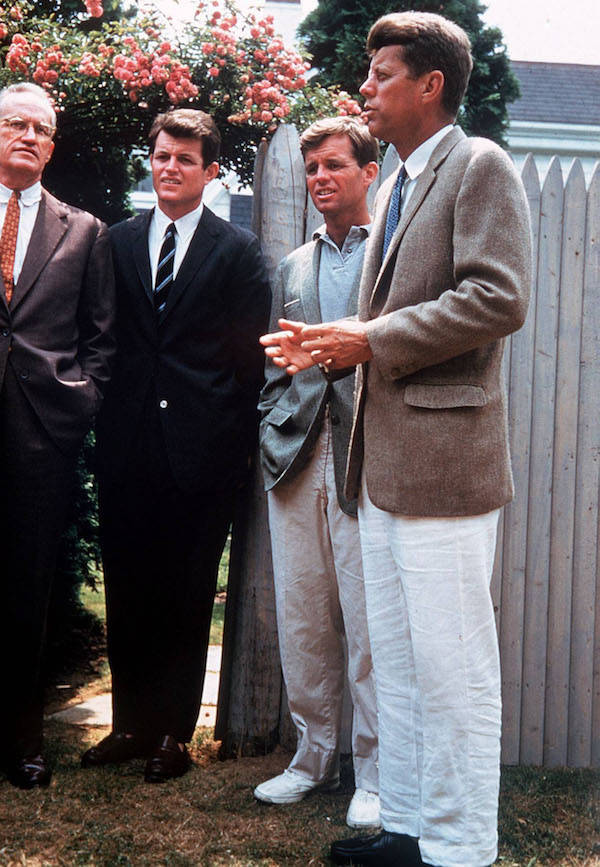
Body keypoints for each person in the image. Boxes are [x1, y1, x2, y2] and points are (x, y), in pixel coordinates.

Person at [261, 12, 531, 867]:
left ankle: (459, 850)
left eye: (380, 75)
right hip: (376, 470)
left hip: (447, 469)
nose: (365, 90)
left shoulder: (477, 165)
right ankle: (410, 829)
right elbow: (391, 315)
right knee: (405, 664)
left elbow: (498, 299)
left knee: (452, 668)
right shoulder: (406, 184)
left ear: (431, 86)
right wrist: (332, 338)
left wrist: (367, 340)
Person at [82, 109, 270, 783]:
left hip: (202, 450)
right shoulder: (117, 242)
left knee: (187, 592)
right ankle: (130, 723)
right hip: (127, 443)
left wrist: (232, 438)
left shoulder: (236, 250)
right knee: (130, 584)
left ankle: (171, 732)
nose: (170, 167)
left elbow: (251, 362)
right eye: (162, 156)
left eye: (185, 159)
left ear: (210, 171)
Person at [254, 117, 380, 828]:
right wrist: (272, 423)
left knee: (366, 623)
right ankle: (311, 759)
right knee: (303, 616)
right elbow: (281, 362)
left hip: (365, 457)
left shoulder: (389, 252)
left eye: (335, 165)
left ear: (368, 172)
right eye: (312, 170)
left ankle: (376, 770)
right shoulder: (295, 265)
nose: (321, 179)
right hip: (296, 457)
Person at [0, 82, 115, 789]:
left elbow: (101, 339)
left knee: (26, 589)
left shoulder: (84, 231)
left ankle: (20, 740)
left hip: (40, 432)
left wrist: (79, 402)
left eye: (41, 128)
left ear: (53, 144)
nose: (28, 136)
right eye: (14, 123)